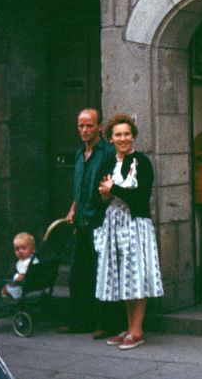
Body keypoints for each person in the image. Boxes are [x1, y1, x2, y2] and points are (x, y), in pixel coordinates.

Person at [96, 113, 164, 350]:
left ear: (133, 136)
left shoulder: (142, 163)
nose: (123, 138)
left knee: (136, 276)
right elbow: (102, 195)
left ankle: (137, 330)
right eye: (118, 135)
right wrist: (105, 196)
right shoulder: (108, 162)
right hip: (115, 223)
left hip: (136, 224)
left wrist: (114, 189)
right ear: (111, 138)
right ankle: (128, 326)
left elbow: (141, 198)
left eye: (127, 134)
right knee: (123, 277)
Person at [58, 108, 121, 339]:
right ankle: (79, 321)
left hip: (100, 221)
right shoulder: (79, 154)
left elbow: (109, 187)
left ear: (99, 127)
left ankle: (106, 323)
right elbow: (81, 186)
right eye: (81, 126)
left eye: (89, 126)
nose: (84, 130)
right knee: (79, 274)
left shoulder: (107, 153)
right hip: (82, 221)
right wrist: (74, 208)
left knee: (103, 272)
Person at [1, 232, 38, 299]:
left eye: (23, 248)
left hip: (25, 291)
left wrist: (12, 284)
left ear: (33, 249)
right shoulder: (35, 259)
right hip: (37, 289)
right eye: (17, 249)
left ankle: (8, 297)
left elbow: (21, 277)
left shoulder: (27, 263)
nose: (20, 251)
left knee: (5, 288)